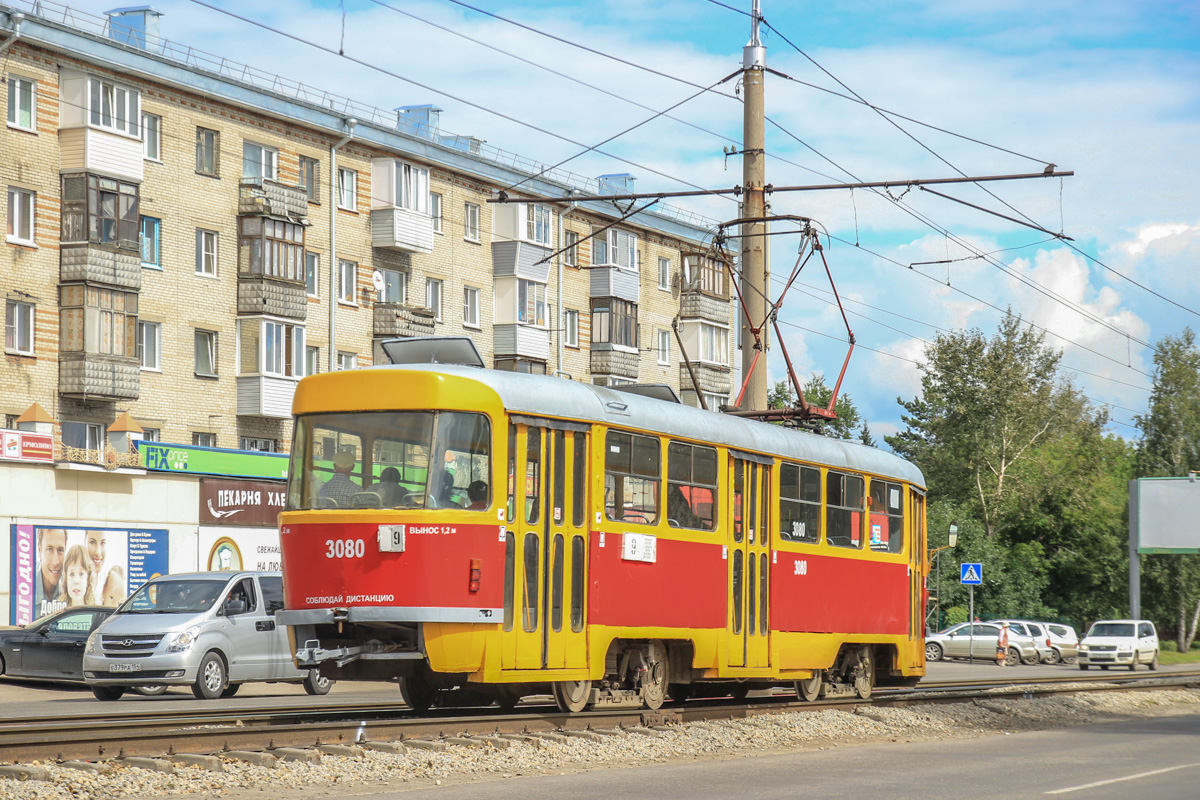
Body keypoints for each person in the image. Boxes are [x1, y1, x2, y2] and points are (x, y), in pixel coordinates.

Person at [35, 528, 68, 617]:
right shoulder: (25, 585)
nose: (55, 562)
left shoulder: (71, 587)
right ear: (39, 550)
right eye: (50, 550)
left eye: (60, 550)